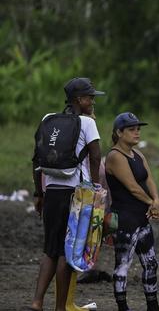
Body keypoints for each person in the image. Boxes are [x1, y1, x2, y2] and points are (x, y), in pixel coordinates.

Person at [27, 77, 104, 311]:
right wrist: (95, 189)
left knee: (50, 249)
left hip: (51, 193)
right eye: (90, 97)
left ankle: (37, 301)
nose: (92, 101)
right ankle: (60, 308)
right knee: (68, 252)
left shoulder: (48, 120)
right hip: (76, 195)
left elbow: (36, 159)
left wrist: (38, 193)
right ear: (79, 99)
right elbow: (96, 156)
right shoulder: (87, 123)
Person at [104, 112, 159, 311]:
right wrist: (151, 203)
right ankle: (123, 306)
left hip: (141, 216)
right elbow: (132, 187)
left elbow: (149, 180)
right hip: (124, 218)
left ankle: (153, 305)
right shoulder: (115, 156)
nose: (137, 132)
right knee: (123, 265)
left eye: (138, 128)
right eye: (132, 129)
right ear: (119, 133)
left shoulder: (138, 154)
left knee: (151, 262)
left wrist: (155, 200)